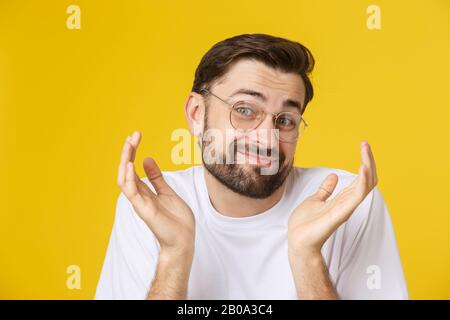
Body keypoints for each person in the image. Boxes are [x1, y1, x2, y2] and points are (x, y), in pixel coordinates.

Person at [95, 34, 408, 299]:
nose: (266, 139)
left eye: (285, 120)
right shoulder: (151, 205)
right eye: (245, 110)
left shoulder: (346, 202)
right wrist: (174, 256)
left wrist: (308, 259)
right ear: (196, 114)